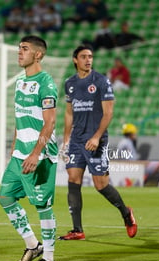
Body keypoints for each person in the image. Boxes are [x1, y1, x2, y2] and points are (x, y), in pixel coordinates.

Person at [58, 44, 137, 241]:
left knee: (101, 185)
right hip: (76, 139)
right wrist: (66, 139)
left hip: (96, 140)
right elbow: (69, 112)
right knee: (73, 178)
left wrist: (96, 136)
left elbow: (109, 112)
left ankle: (126, 214)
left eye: (91, 56)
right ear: (75, 60)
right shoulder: (70, 83)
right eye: (84, 56)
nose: (88, 60)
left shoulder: (101, 81)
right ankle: (77, 230)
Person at [0, 35, 58, 261]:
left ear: (38, 54)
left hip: (40, 155)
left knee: (43, 206)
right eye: (19, 48)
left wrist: (35, 153)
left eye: (24, 49)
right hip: (20, 153)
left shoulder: (46, 83)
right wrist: (15, 145)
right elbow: (19, 118)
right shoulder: (21, 82)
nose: (19, 52)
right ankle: (33, 245)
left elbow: (50, 123)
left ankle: (49, 259)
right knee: (5, 197)